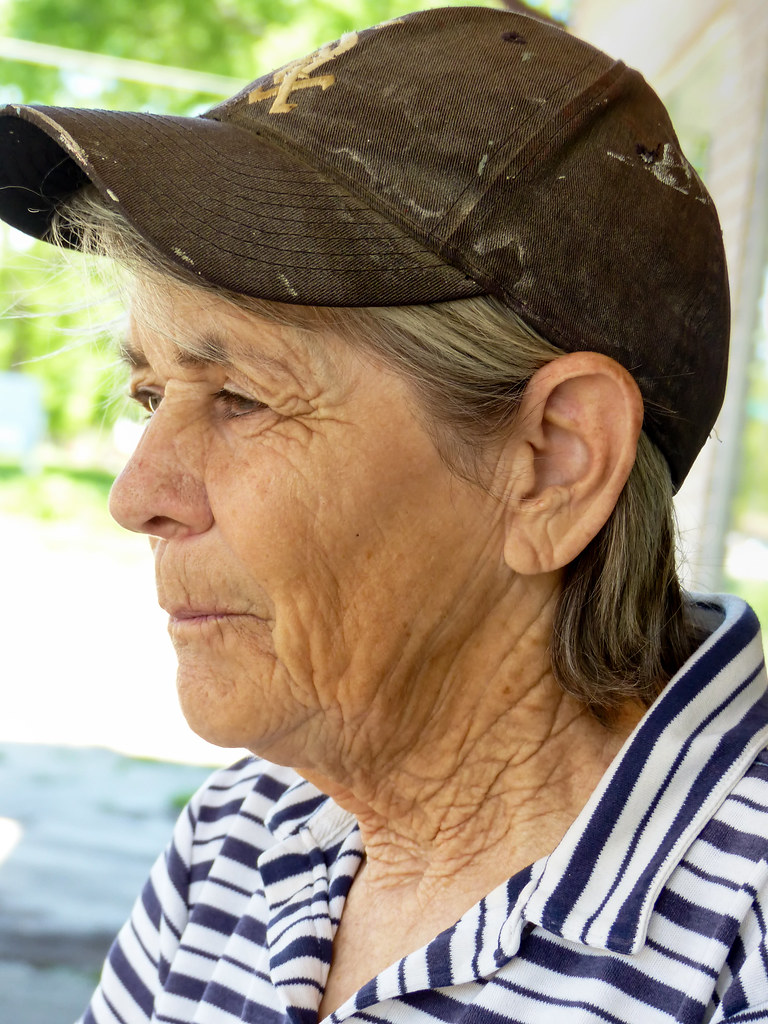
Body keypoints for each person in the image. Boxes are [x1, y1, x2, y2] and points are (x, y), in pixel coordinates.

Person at [1, 6, 766, 1023]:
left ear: (554, 464)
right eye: (151, 396)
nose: (137, 497)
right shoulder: (244, 834)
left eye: (241, 399)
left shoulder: (739, 945)